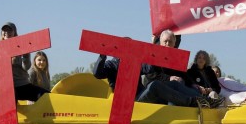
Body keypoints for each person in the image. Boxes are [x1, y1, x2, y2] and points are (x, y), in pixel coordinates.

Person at [92, 30, 224, 108]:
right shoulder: (111, 65)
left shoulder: (136, 62)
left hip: (142, 96)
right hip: (129, 103)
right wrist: (103, 54)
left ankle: (205, 100)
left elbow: (149, 67)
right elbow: (97, 73)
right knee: (155, 85)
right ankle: (193, 103)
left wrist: (154, 48)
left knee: (173, 83)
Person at [0, 22, 49, 102]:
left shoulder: (20, 47)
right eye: (4, 30)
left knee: (47, 96)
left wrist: (26, 56)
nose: (7, 33)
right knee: (10, 104)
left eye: (10, 30)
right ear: (1, 33)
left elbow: (26, 67)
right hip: (7, 88)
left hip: (22, 85)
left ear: (14, 33)